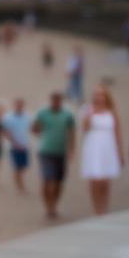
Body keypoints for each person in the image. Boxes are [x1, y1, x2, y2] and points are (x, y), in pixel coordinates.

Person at [79, 84, 124, 215]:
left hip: (108, 146)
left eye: (102, 94)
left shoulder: (112, 111)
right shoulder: (87, 109)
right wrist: (89, 114)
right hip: (93, 146)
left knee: (105, 180)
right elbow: (85, 128)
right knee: (95, 180)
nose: (99, 97)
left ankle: (104, 208)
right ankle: (96, 209)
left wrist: (120, 153)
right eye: (97, 94)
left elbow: (117, 133)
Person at [32, 91, 75, 220]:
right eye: (53, 99)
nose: (55, 102)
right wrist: (42, 135)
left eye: (58, 100)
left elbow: (71, 133)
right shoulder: (42, 113)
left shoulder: (67, 115)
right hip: (46, 151)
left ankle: (54, 204)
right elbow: (34, 128)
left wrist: (71, 149)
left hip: (61, 152)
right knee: (47, 180)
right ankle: (48, 207)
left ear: (61, 101)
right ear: (50, 100)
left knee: (58, 181)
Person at [0, 97, 32, 193]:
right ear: (14, 106)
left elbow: (32, 128)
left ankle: (20, 183)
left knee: (23, 166)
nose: (19, 107)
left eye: (21, 105)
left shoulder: (27, 116)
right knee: (17, 167)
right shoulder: (7, 117)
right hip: (13, 146)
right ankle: (19, 185)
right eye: (17, 105)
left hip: (25, 145)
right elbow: (4, 131)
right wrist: (14, 143)